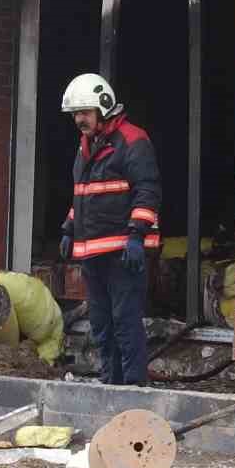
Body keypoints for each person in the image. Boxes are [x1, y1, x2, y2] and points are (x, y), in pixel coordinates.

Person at [59, 73, 162, 386]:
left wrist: (136, 235)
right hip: (93, 251)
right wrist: (68, 228)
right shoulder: (86, 147)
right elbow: (83, 193)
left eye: (85, 112)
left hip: (122, 250)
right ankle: (111, 385)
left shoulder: (132, 140)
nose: (79, 119)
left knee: (125, 321)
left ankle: (132, 389)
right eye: (76, 114)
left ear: (103, 108)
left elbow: (148, 191)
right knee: (102, 323)